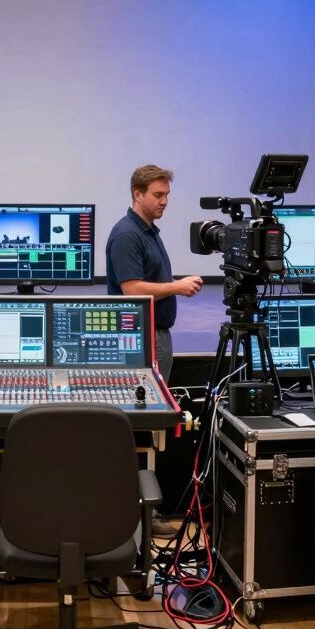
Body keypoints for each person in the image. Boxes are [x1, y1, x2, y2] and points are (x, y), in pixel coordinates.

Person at [106, 164, 203, 536]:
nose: (164, 202)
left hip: (155, 335)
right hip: (142, 340)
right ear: (137, 194)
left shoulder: (146, 231)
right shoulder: (127, 235)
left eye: (166, 196)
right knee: (140, 425)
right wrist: (176, 288)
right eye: (157, 195)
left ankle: (142, 509)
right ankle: (139, 512)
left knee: (147, 425)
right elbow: (131, 290)